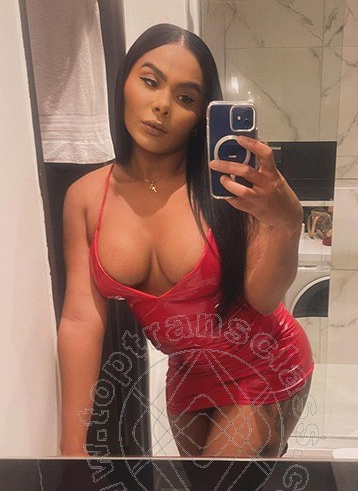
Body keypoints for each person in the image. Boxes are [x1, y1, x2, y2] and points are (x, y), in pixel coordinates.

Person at [58, 23, 315, 459]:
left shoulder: (229, 189)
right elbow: (81, 320)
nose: (162, 105)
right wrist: (70, 450)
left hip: (262, 362)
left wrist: (288, 224)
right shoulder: (84, 198)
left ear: (201, 116)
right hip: (187, 377)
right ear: (124, 83)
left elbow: (264, 299)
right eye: (150, 81)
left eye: (185, 98)